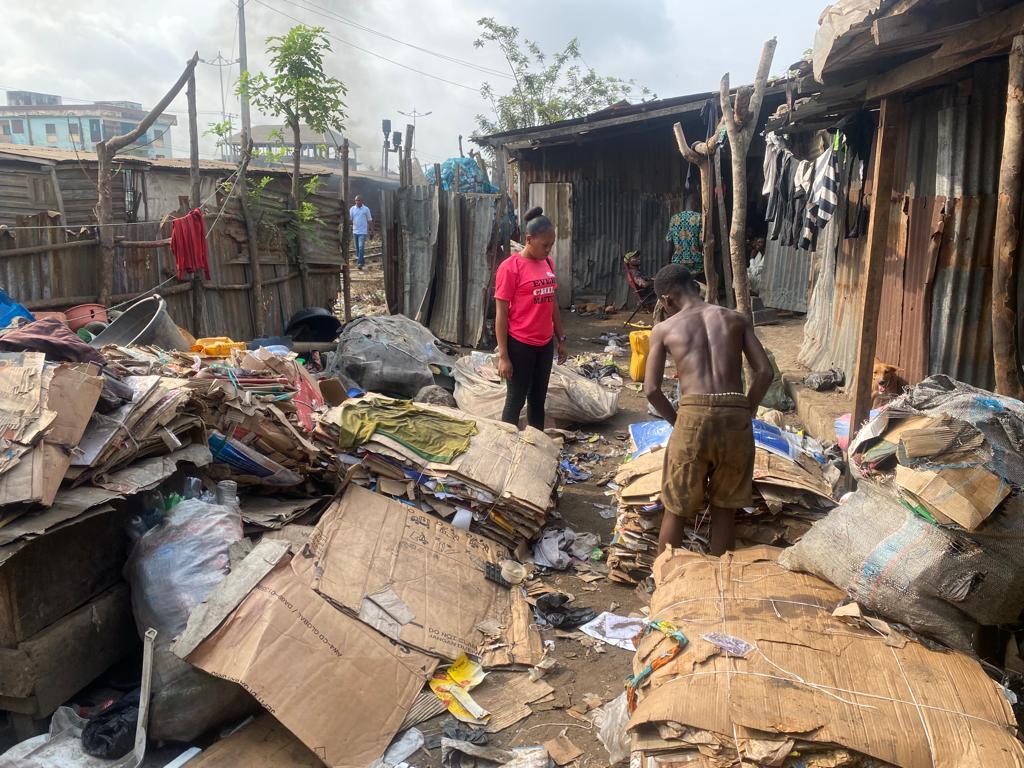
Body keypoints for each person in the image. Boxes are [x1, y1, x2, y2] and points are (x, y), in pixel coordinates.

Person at [644, 264, 773, 557]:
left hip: (692, 414)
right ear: (694, 286)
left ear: (666, 300)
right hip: (735, 413)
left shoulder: (664, 329)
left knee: (676, 507)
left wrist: (678, 422)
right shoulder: (735, 319)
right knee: (725, 506)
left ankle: (665, 580)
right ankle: (718, 585)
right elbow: (764, 372)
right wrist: (746, 410)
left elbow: (651, 389)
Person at [494, 206, 568, 430]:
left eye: (551, 244)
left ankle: (535, 445)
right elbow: (501, 314)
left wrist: (561, 338)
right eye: (545, 245)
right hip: (520, 345)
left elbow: (552, 301)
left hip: (544, 344)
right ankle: (506, 446)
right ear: (528, 239)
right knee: (515, 400)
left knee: (538, 400)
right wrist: (504, 356)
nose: (549, 249)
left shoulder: (547, 263)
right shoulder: (510, 268)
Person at [665, 192, 704, 276]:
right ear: (696, 204)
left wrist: (668, 264)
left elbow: (669, 243)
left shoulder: (674, 218)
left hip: (677, 263)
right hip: (696, 264)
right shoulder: (700, 218)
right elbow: (702, 242)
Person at [349, 195, 373, 269]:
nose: (357, 202)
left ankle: (360, 263)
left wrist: (371, 231)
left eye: (359, 200)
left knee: (361, 247)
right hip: (355, 231)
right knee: (357, 249)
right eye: (356, 200)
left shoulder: (366, 209)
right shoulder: (352, 209)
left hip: (363, 232)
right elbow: (350, 220)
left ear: (362, 201)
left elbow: (369, 220)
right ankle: (362, 261)